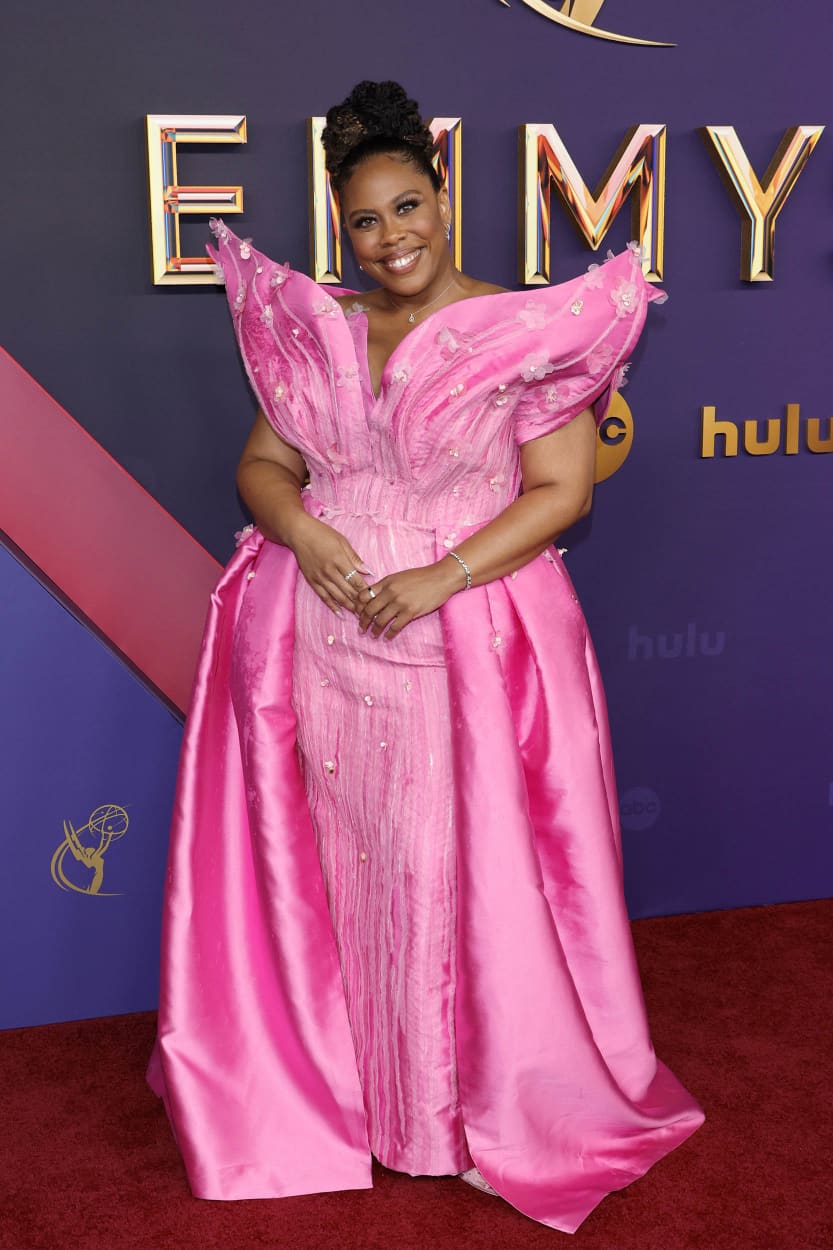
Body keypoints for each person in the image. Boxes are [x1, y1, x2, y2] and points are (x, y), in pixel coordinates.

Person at [147, 80, 704, 1234]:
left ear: (443, 199)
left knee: (449, 875)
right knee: (336, 875)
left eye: (410, 206)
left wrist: (438, 577)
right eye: (365, 218)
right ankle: (341, 1096)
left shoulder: (518, 329)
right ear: (338, 227)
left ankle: (447, 1115)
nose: (392, 235)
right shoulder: (322, 335)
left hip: (458, 640)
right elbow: (263, 467)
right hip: (317, 635)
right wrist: (302, 529)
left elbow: (558, 490)